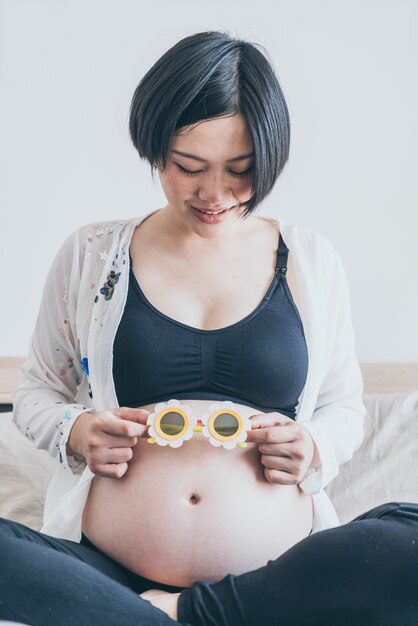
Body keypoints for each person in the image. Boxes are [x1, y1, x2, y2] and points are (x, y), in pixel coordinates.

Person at [1, 30, 417, 626]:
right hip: (108, 565)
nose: (215, 194)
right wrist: (75, 429)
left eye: (242, 170)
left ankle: (181, 615)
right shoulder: (92, 255)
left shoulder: (309, 260)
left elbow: (343, 407)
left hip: (277, 571)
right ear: (152, 149)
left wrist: (314, 446)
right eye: (188, 167)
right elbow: (36, 392)